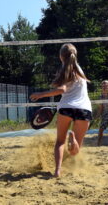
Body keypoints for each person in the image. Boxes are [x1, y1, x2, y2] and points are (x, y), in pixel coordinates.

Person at [30, 43, 92, 177]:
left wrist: (40, 94)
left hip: (66, 108)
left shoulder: (65, 69)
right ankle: (73, 140)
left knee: (59, 142)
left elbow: (61, 90)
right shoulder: (80, 71)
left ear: (60, 56)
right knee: (75, 150)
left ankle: (57, 170)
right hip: (84, 109)